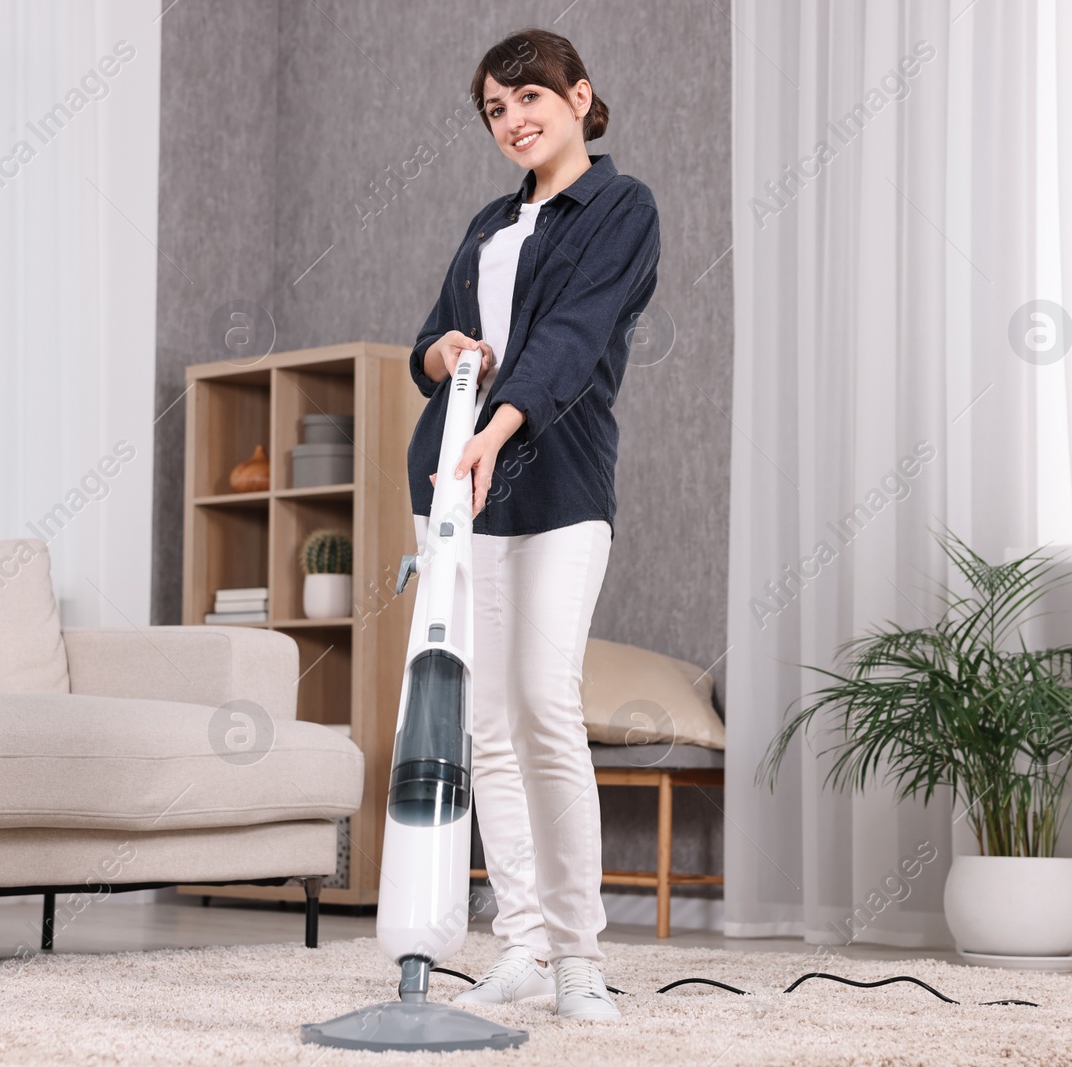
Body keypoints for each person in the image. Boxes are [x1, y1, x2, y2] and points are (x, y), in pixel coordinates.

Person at [405, 26, 662, 1023]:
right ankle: (519, 943)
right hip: (466, 490)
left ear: (579, 97)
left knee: (544, 703)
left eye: (529, 99)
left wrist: (497, 423)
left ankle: (579, 957)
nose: (513, 120)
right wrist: (443, 356)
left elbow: (571, 339)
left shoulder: (619, 207)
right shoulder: (486, 223)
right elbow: (430, 333)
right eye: (495, 109)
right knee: (484, 721)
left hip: (558, 485)